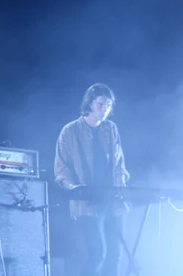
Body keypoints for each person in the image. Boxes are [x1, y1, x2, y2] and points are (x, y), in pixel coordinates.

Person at [54, 83, 130, 276]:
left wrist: (121, 187)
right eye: (100, 104)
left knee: (116, 254)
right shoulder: (70, 131)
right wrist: (74, 188)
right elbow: (62, 168)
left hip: (112, 199)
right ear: (89, 104)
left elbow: (119, 163)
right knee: (97, 254)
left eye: (108, 105)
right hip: (87, 202)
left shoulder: (111, 129)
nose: (104, 110)